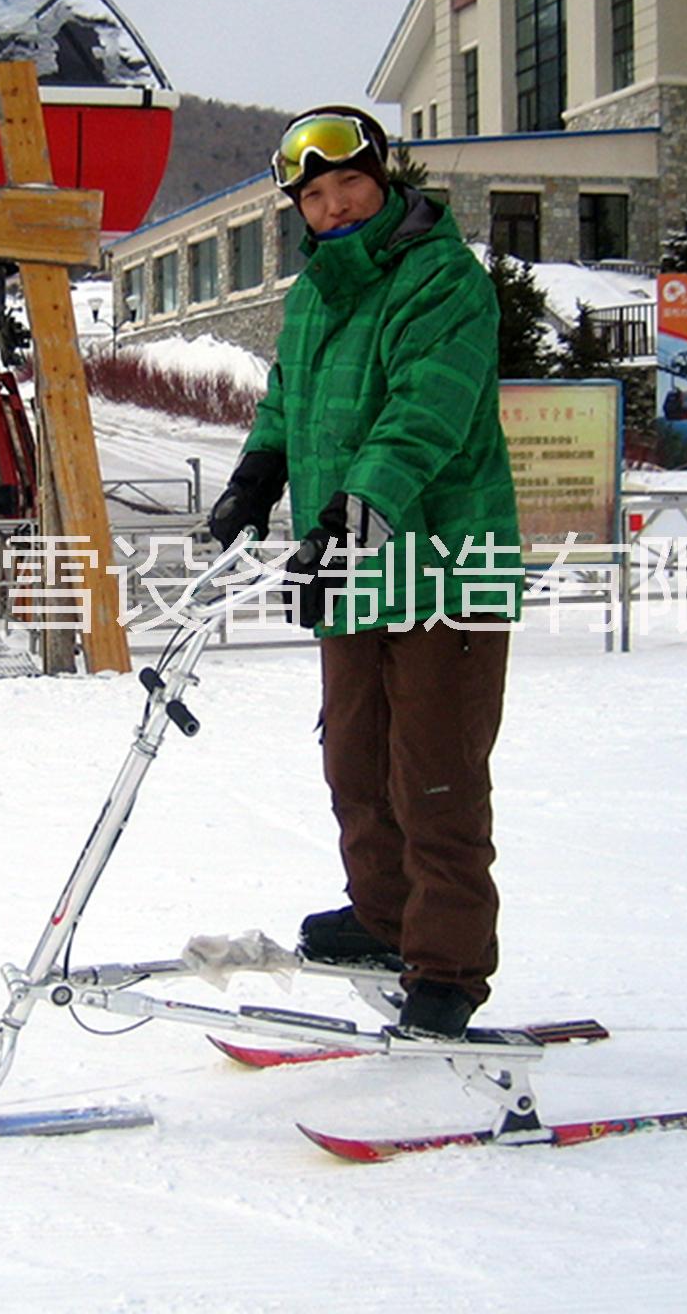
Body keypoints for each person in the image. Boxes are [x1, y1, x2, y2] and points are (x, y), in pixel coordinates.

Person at [205, 107, 521, 1038]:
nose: (335, 205)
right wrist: (258, 473)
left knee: (435, 773)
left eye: (348, 183)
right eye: (313, 195)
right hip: (352, 563)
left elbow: (425, 411)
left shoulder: (444, 279)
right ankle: (384, 917)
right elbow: (287, 398)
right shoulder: (314, 294)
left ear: (382, 180)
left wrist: (352, 515)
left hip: (443, 564)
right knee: (355, 759)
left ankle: (448, 965)